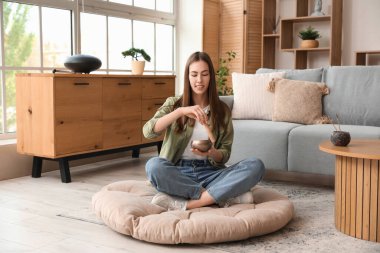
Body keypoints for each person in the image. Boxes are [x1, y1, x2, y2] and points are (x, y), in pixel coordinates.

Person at [143, 51, 265, 211]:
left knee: (256, 165)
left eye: (204, 74)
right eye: (194, 74)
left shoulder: (222, 110)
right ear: (188, 76)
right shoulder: (174, 104)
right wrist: (180, 112)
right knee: (153, 165)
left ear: (210, 77)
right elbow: (148, 131)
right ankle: (217, 196)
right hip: (178, 172)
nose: (199, 80)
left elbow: (224, 154)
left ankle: (188, 202)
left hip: (211, 173)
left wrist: (212, 153)